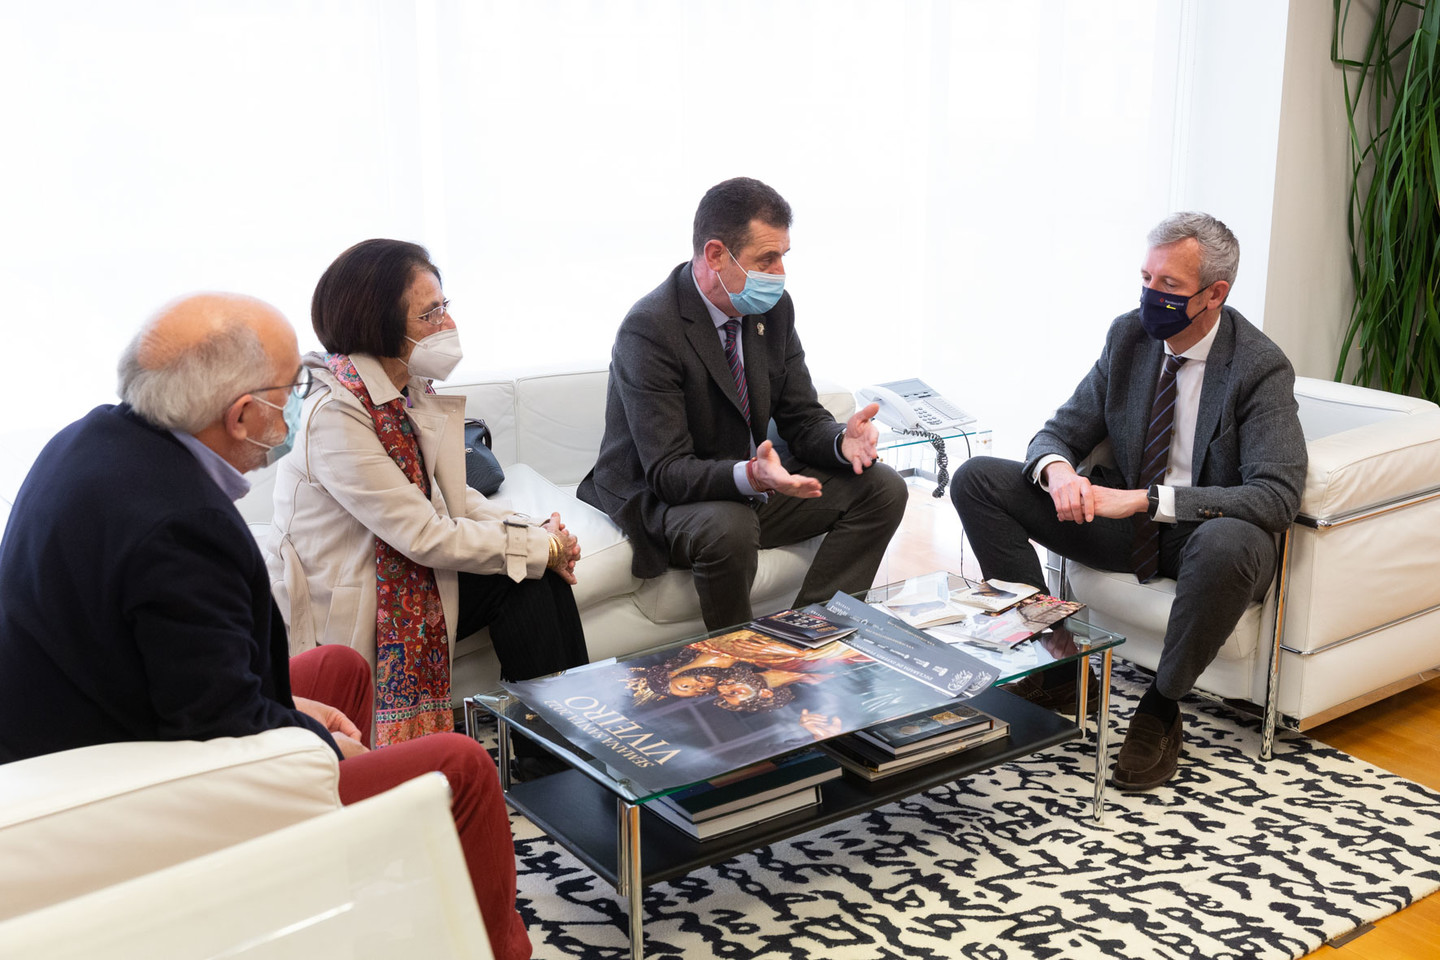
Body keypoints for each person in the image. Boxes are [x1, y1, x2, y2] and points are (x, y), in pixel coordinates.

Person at [0, 294, 531, 959]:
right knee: (462, 764)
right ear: (242, 415)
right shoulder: (181, 527)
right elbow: (217, 720)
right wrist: (318, 742)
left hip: (106, 707)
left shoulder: (95, 437)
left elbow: (190, 673)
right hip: (125, 771)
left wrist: (293, 709)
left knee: (338, 668)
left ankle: (330, 890)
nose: (299, 405)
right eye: (292, 388)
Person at [949, 212, 1307, 791]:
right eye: (1146, 278)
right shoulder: (1129, 338)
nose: (1150, 295)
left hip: (1203, 537)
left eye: (1169, 285)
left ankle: (1161, 709)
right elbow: (1058, 432)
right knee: (977, 479)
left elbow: (1275, 496)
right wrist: (1059, 471)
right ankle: (1059, 666)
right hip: (1123, 526)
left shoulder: (1258, 367)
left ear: (1214, 294)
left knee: (1229, 541)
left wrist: (1145, 499)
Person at [266, 239, 588, 746]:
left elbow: (452, 496)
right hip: (362, 598)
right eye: (429, 313)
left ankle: (574, 742)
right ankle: (554, 756)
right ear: (379, 325)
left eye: (444, 306)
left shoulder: (407, 386)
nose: (448, 324)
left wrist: (538, 535)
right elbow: (422, 534)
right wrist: (540, 547)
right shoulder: (334, 412)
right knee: (527, 570)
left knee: (533, 576)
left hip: (407, 571)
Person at [578, 177, 908, 629]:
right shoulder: (650, 329)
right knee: (729, 526)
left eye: (783, 256)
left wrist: (841, 442)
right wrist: (751, 476)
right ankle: (742, 658)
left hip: (749, 483)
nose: (779, 272)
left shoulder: (774, 310)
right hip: (663, 497)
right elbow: (668, 471)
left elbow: (801, 416)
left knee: (882, 487)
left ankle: (812, 633)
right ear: (716, 254)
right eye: (766, 259)